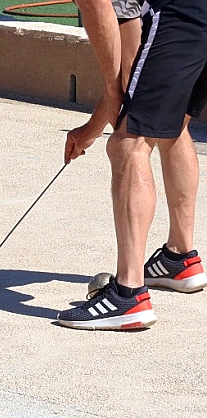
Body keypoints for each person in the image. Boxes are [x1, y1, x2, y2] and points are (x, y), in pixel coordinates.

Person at [57, 0, 207, 330]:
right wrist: (92, 128)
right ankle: (180, 259)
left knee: (128, 145)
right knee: (172, 126)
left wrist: (113, 104)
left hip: (178, 14)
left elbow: (99, 10)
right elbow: (134, 69)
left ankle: (128, 295)